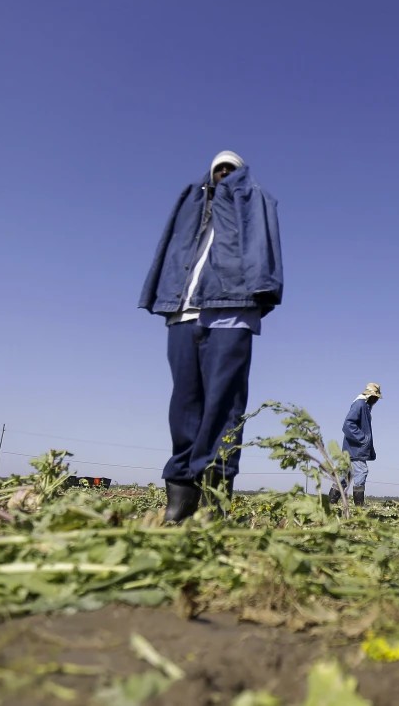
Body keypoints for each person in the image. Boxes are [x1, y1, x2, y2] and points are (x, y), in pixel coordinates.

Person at [138, 151, 283, 523]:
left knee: (224, 406)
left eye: (231, 169)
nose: (223, 173)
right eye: (219, 168)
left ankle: (216, 494)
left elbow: (263, 246)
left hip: (231, 310)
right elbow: (169, 250)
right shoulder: (191, 202)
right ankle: (181, 492)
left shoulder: (252, 200)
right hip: (184, 311)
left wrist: (261, 294)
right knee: (184, 403)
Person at [335, 382, 382, 506]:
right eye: (376, 398)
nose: (376, 400)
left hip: (351, 448)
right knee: (361, 471)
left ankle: (331, 503)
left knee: (344, 476)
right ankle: (359, 506)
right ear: (371, 396)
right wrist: (363, 439)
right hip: (355, 449)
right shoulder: (359, 404)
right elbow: (348, 425)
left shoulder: (364, 406)